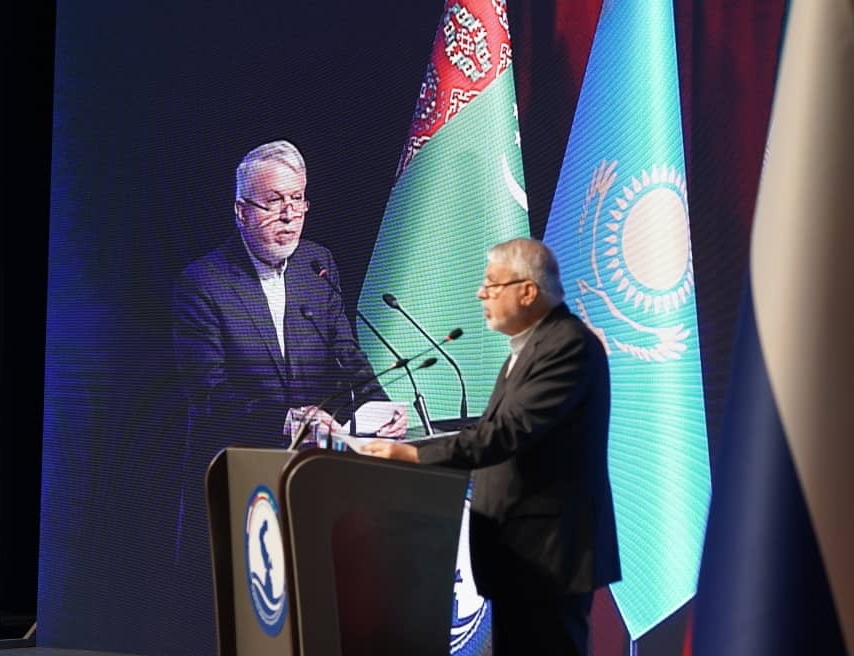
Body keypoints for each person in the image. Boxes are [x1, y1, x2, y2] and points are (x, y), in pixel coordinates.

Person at [363, 238, 620, 656]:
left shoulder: (568, 346)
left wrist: (412, 453)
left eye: (492, 284)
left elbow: (507, 433)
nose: (481, 293)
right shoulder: (529, 349)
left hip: (551, 555)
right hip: (520, 557)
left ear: (528, 291)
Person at [173, 139, 406, 448]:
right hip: (236, 459)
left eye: (297, 198)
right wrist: (285, 420)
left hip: (316, 460)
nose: (289, 214)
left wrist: (381, 407)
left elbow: (346, 355)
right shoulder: (203, 282)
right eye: (274, 201)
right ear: (242, 212)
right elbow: (208, 392)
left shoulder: (316, 264)